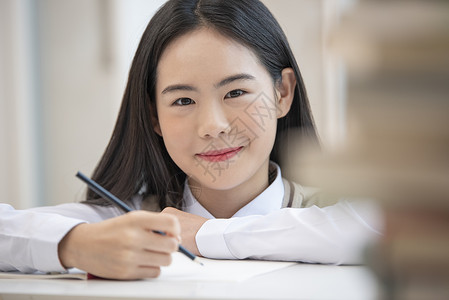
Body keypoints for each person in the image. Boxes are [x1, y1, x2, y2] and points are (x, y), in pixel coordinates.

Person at [0, 0, 382, 280]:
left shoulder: (338, 212)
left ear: (282, 93)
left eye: (235, 93)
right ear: (154, 116)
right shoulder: (130, 224)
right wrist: (74, 245)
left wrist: (206, 236)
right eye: (183, 100)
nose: (212, 126)